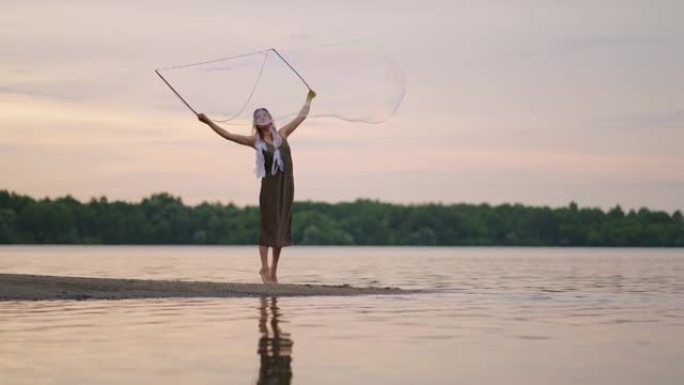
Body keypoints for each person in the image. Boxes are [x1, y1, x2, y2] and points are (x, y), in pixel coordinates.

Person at [197, 89, 316, 284]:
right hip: (269, 188)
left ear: (270, 119)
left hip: (286, 187)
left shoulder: (283, 133)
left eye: (265, 116)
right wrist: (208, 121)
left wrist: (309, 98)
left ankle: (274, 271)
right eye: (259, 118)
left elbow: (301, 117)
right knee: (268, 226)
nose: (264, 119)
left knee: (281, 226)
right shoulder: (256, 141)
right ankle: (264, 267)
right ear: (257, 124)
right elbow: (227, 135)